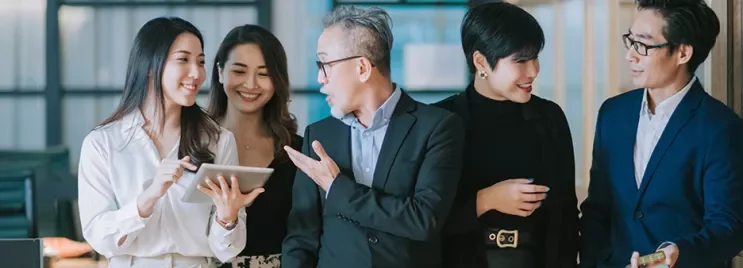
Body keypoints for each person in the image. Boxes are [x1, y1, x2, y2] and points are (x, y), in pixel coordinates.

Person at [280, 5, 465, 268]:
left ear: (362, 68)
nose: (320, 78)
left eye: (325, 64)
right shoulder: (319, 135)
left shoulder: (438, 127)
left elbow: (424, 220)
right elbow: (301, 239)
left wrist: (337, 188)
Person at [77, 17, 263, 268]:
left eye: (200, 61)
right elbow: (99, 238)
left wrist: (227, 218)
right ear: (151, 66)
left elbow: (227, 250)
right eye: (183, 60)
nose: (196, 73)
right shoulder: (103, 143)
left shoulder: (218, 140)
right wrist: (149, 197)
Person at [579, 0, 743, 267]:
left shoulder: (722, 129)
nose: (631, 55)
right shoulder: (613, 114)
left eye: (644, 45)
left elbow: (728, 228)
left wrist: (678, 253)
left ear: (682, 53)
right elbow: (598, 208)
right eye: (631, 40)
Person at [434, 2, 578, 268]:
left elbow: (567, 216)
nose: (533, 70)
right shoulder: (439, 121)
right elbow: (420, 220)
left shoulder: (549, 118)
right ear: (481, 62)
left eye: (535, 57)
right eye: (520, 60)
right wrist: (486, 200)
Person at [207, 24, 302, 268]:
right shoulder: (193, 143)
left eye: (264, 73)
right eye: (239, 71)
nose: (251, 84)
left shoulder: (297, 152)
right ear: (220, 72)